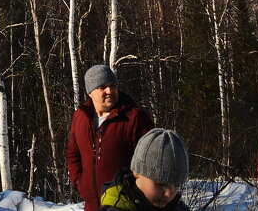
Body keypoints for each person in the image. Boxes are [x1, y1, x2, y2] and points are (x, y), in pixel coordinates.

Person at [67, 64, 154, 211]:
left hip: (125, 204)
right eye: (103, 87)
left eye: (113, 86)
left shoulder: (135, 118)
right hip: (91, 205)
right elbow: (72, 153)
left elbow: (150, 160)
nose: (110, 91)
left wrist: (133, 189)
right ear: (90, 92)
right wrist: (79, 182)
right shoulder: (80, 117)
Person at [99, 128, 190, 211]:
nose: (169, 194)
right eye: (161, 184)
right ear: (137, 173)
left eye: (176, 185)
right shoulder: (115, 207)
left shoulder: (176, 207)